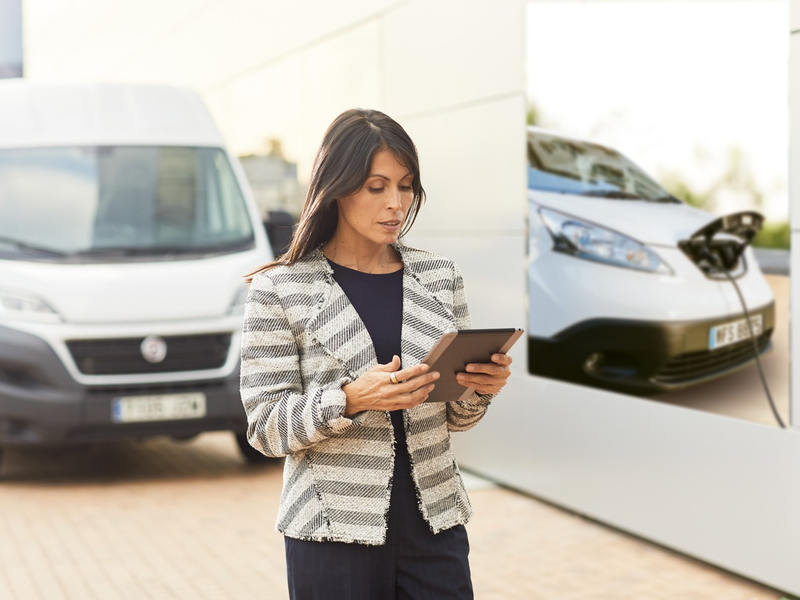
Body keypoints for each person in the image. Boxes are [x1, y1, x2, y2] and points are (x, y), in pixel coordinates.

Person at [240, 108, 512, 600]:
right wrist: (349, 399)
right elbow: (264, 426)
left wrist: (478, 390)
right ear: (337, 187)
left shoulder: (440, 276)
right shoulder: (279, 288)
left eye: (406, 186)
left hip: (434, 520)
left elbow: (457, 418)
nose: (396, 204)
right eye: (376, 187)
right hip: (332, 526)